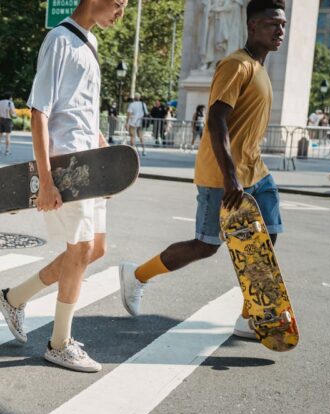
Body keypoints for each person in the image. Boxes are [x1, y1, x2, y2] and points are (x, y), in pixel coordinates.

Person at [118, 0, 287, 340]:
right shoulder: (236, 65)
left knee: (267, 237)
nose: (280, 31)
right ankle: (137, 275)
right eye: (272, 24)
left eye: (282, 25)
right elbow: (216, 119)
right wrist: (230, 176)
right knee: (206, 245)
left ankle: (249, 315)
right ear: (252, 26)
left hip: (256, 172)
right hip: (223, 176)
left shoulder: (260, 68)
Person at [0, 0, 127, 373]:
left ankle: (14, 298)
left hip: (89, 165)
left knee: (95, 249)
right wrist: (46, 179)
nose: (121, 14)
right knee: (80, 249)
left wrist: (104, 150)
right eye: (119, 4)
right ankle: (59, 343)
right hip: (67, 166)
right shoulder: (60, 40)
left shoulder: (90, 43)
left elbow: (80, 107)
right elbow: (40, 111)